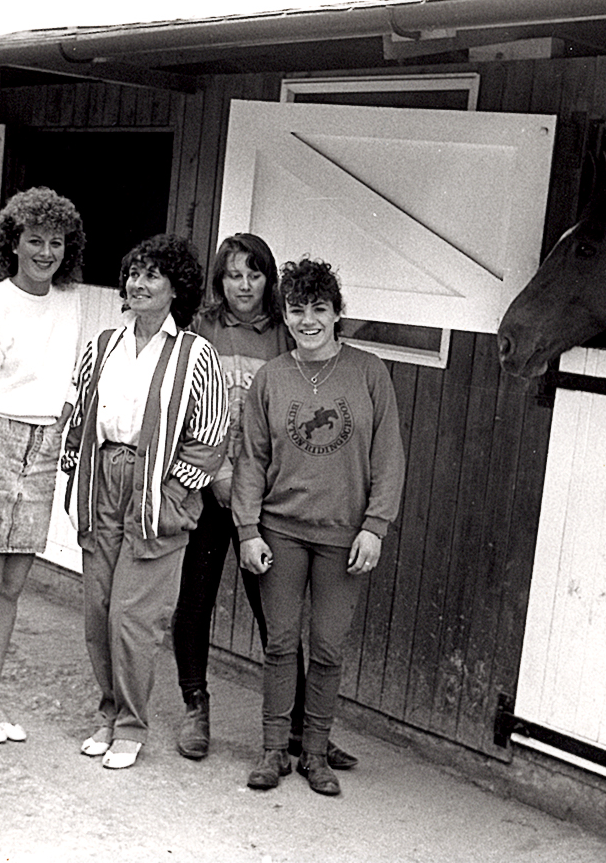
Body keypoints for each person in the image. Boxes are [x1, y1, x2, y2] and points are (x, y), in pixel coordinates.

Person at [169, 234, 359, 770]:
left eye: (254, 274)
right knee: (195, 600)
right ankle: (195, 706)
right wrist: (213, 475)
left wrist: (253, 486)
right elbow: (183, 408)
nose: (244, 285)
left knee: (274, 619)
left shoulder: (285, 332)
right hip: (206, 485)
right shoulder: (201, 329)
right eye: (233, 275)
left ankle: (302, 729)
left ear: (268, 280)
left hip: (265, 496)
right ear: (219, 280)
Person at [233, 258, 405, 796]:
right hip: (280, 531)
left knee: (328, 647)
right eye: (296, 309)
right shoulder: (271, 377)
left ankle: (314, 753)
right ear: (284, 315)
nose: (307, 320)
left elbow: (389, 455)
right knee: (281, 644)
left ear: (336, 314)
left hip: (343, 538)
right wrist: (247, 529)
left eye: (319, 309)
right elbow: (251, 458)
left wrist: (375, 526)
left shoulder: (369, 372)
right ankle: (272, 750)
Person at [62, 234, 229, 770]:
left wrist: (169, 490)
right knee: (99, 612)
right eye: (133, 273)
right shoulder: (103, 343)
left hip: (156, 490)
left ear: (175, 288)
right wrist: (79, 471)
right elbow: (79, 415)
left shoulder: (195, 354)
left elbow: (210, 436)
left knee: (134, 618)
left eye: (152, 275)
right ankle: (108, 712)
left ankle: (133, 725)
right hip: (103, 482)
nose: (138, 283)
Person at [0, 187, 85, 744]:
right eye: (35, 240)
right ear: (14, 243)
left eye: (56, 242)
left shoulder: (69, 301)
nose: (46, 252)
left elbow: (66, 379)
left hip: (45, 446)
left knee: (13, 586)